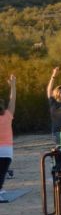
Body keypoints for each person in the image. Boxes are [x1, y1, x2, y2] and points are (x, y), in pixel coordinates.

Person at [0, 75, 15, 203]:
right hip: (7, 151)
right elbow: (12, 99)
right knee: (2, 173)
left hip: (3, 150)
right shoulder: (8, 115)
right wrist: (13, 86)